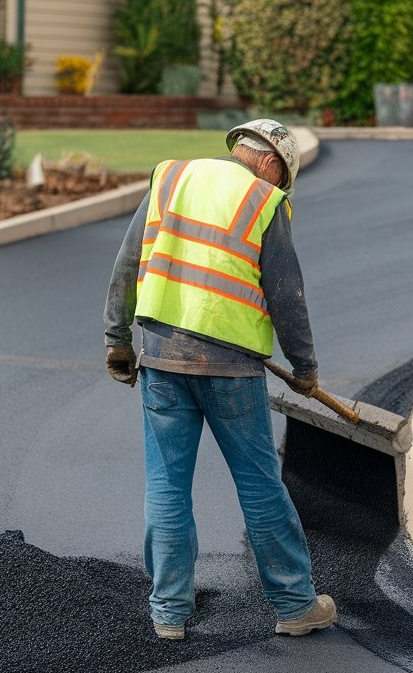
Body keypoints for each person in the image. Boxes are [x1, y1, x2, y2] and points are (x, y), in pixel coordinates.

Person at [103, 118, 336, 641]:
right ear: (273, 164)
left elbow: (128, 261)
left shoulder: (172, 178)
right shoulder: (265, 202)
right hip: (231, 370)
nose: (277, 188)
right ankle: (296, 605)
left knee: (166, 486)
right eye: (281, 179)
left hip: (162, 360)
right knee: (258, 486)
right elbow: (285, 294)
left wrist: (116, 339)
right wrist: (305, 369)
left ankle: (168, 613)